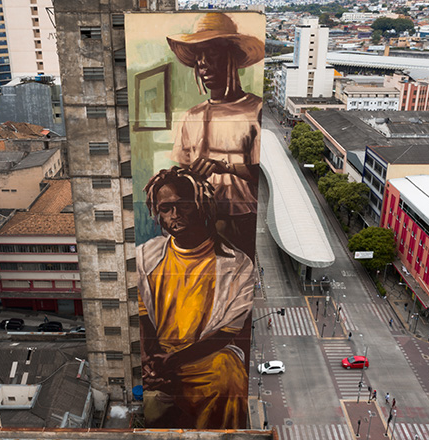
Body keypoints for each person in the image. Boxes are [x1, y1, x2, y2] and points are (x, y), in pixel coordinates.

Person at [137, 167, 254, 429]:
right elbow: (142, 315)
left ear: (203, 204)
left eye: (183, 206)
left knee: (230, 378)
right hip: (160, 359)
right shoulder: (145, 257)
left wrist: (174, 361)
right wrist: (149, 360)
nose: (174, 215)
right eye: (165, 209)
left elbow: (226, 333)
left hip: (206, 360)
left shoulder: (239, 266)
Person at [167, 12, 264, 259]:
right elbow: (182, 173)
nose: (204, 66)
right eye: (199, 60)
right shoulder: (192, 115)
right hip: (202, 222)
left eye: (212, 56)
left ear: (230, 57)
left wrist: (226, 167)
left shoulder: (256, 110)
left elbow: (261, 175)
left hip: (243, 221)